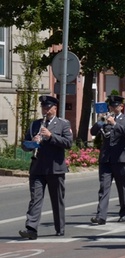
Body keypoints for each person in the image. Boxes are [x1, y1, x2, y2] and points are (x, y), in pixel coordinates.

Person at [19, 95, 73, 240]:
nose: (45, 110)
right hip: (37, 168)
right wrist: (31, 143)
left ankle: (60, 227)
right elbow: (24, 145)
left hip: (56, 168)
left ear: (55, 108)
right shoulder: (34, 124)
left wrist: (50, 136)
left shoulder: (63, 124)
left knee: (57, 199)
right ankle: (31, 228)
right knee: (35, 199)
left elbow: (68, 143)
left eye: (48, 107)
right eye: (43, 107)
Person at [90, 95, 125, 225]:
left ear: (121, 107)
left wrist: (114, 124)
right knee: (104, 187)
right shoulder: (105, 119)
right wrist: (99, 122)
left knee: (122, 186)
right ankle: (101, 215)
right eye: (111, 106)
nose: (113, 108)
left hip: (120, 158)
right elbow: (93, 132)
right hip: (106, 158)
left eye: (116, 106)